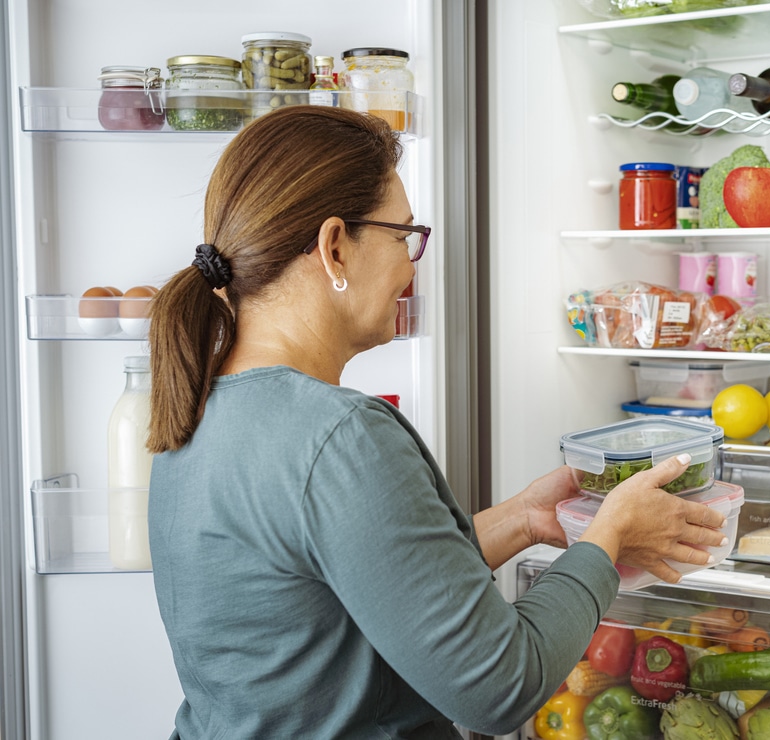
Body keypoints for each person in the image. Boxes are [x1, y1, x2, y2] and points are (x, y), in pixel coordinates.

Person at [144, 104, 728, 739]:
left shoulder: (199, 406)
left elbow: (359, 592)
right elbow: (503, 686)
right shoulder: (339, 438)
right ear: (335, 247)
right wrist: (606, 541)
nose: (410, 265)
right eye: (403, 236)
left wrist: (522, 521)